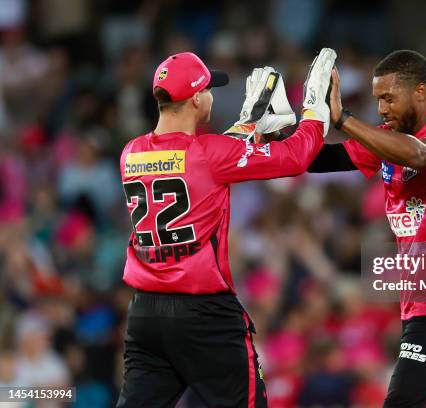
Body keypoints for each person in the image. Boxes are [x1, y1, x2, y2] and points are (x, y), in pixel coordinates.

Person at [116, 49, 337, 407]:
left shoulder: (131, 152)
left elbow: (202, 154)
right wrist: (314, 110)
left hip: (146, 314)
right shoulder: (209, 154)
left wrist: (249, 124)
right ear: (198, 99)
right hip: (204, 315)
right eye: (208, 90)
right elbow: (296, 157)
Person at [309, 50, 426, 407]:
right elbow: (325, 159)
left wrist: (344, 119)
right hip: (422, 302)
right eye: (378, 99)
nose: (381, 109)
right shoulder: (387, 139)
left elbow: (421, 156)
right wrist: (272, 139)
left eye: (388, 98)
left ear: (421, 92)